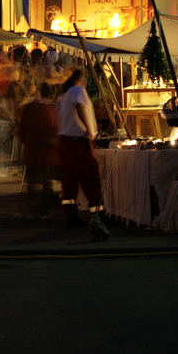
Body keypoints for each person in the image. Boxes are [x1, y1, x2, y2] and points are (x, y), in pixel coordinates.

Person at [56, 69, 109, 240]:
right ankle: (98, 215)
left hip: (65, 140)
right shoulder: (77, 91)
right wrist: (88, 129)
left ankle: (70, 215)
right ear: (81, 78)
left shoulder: (64, 96)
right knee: (90, 177)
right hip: (78, 141)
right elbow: (80, 107)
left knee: (69, 179)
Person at [18, 82, 60, 220]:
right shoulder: (54, 109)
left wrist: (26, 141)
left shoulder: (29, 108)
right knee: (46, 182)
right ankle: (44, 211)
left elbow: (22, 129)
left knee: (33, 183)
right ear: (52, 95)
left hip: (32, 150)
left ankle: (31, 210)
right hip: (49, 152)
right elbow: (57, 129)